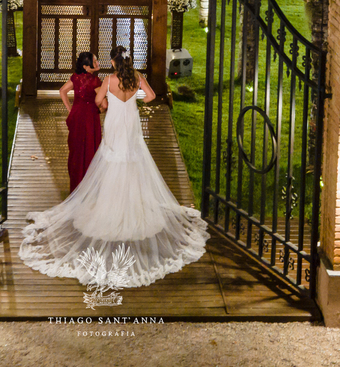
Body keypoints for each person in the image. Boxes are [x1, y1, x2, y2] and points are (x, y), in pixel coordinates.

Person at [18, 45, 208, 287]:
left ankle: (110, 203)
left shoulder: (109, 80)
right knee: (133, 159)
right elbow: (151, 96)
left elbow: (99, 101)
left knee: (111, 159)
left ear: (114, 63)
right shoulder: (137, 77)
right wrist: (136, 102)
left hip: (115, 123)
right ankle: (132, 203)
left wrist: (107, 98)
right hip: (131, 123)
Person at [60, 51, 103, 193]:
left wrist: (70, 109)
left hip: (77, 114)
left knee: (76, 149)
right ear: (86, 66)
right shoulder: (95, 81)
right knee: (90, 147)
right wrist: (102, 109)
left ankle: (76, 184)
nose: (97, 63)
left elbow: (62, 91)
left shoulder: (75, 78)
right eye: (94, 62)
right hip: (90, 117)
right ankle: (89, 186)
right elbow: (103, 103)